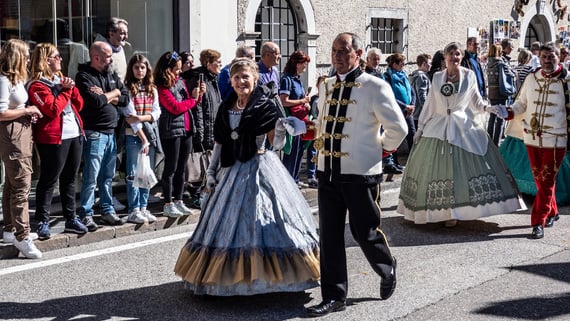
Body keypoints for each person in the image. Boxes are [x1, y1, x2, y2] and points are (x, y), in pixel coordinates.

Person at [174, 58, 320, 296]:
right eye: (237, 77)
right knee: (226, 223)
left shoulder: (265, 106)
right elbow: (220, 142)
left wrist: (282, 129)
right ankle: (229, 278)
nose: (241, 81)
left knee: (263, 220)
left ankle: (269, 279)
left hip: (261, 167)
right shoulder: (226, 106)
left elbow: (279, 145)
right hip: (232, 170)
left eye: (246, 77)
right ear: (231, 81)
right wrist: (211, 172)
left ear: (255, 78)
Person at [305, 32, 407, 317]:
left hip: (360, 173)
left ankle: (387, 266)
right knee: (330, 236)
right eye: (334, 50)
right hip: (328, 172)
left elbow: (399, 129)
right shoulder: (325, 86)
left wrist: (379, 150)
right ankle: (335, 296)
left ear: (357, 53)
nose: (337, 56)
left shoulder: (375, 86)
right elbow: (322, 123)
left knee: (365, 232)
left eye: (343, 50)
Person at [397, 41, 525, 228]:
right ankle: (440, 211)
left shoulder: (469, 76)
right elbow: (430, 105)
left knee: (459, 169)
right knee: (438, 170)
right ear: (445, 57)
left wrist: (488, 108)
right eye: (451, 54)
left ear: (461, 57)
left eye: (457, 54)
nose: (454, 57)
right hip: (438, 127)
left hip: (463, 127)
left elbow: (475, 100)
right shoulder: (438, 78)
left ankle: (456, 211)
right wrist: (421, 128)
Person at [497, 42, 569, 239]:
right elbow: (521, 103)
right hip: (531, 136)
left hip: (556, 139)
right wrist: (508, 111)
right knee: (540, 180)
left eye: (551, 56)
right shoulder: (531, 78)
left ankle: (538, 221)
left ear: (558, 57)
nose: (547, 60)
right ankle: (552, 211)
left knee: (546, 180)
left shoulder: (567, 81)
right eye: (544, 56)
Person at [28, 43, 88, 239]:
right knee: (49, 179)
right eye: (57, 56)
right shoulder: (37, 85)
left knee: (70, 179)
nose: (61, 59)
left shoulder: (61, 80)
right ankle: (42, 221)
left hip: (74, 134)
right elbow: (52, 109)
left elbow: (79, 104)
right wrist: (66, 91)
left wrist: (71, 88)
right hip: (53, 138)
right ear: (46, 60)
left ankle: (71, 218)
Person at [75, 41, 130, 230]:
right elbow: (96, 101)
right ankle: (86, 213)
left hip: (111, 132)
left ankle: (107, 210)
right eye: (108, 56)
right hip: (94, 133)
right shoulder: (84, 76)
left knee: (108, 176)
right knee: (91, 177)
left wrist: (110, 94)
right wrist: (112, 94)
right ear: (96, 57)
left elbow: (125, 98)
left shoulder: (111, 74)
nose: (111, 59)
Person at [0, 39, 43, 258]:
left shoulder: (15, 80)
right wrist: (26, 111)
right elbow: (1, 113)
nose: (28, 59)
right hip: (12, 135)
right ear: (15, 56)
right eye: (25, 55)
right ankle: (22, 236)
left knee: (12, 182)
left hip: (22, 133)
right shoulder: (3, 81)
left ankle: (10, 229)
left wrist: (27, 110)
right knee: (21, 185)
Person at [154, 51, 205, 217]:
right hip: (171, 131)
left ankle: (178, 200)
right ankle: (167, 202)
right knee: (171, 168)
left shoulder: (181, 82)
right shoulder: (162, 86)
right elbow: (175, 107)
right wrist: (192, 100)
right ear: (167, 69)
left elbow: (188, 104)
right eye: (176, 69)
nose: (179, 71)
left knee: (182, 168)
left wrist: (198, 96)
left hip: (187, 129)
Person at [122, 53, 161, 224]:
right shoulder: (128, 88)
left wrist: (142, 118)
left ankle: (144, 207)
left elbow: (157, 112)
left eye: (143, 67)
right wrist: (143, 138)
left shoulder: (152, 89)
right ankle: (134, 209)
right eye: (136, 67)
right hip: (134, 136)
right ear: (131, 69)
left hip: (150, 134)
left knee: (146, 173)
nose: (140, 70)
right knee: (132, 173)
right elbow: (130, 117)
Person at [182, 49, 223, 206]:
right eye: (217, 62)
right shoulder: (200, 80)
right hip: (204, 129)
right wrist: (200, 132)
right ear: (208, 64)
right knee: (204, 166)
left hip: (213, 127)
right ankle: (199, 196)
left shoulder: (213, 79)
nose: (220, 64)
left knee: (210, 165)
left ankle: (205, 195)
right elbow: (198, 109)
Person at [279, 50, 311, 185]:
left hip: (300, 120)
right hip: (292, 122)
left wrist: (306, 104)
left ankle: (295, 180)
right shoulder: (286, 80)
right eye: (304, 63)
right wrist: (303, 101)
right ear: (296, 63)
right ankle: (288, 182)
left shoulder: (296, 79)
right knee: (291, 152)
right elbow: (284, 101)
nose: (305, 66)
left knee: (299, 151)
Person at [383, 53, 416, 170]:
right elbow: (389, 95)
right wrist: (404, 106)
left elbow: (411, 91)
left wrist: (412, 105)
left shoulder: (403, 75)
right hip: (397, 110)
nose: (403, 66)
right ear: (394, 64)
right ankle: (394, 162)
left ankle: (415, 160)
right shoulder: (387, 76)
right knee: (396, 136)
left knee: (412, 135)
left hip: (408, 111)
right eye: (401, 63)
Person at [487, 43, 516, 146]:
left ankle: (489, 138)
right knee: (500, 118)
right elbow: (511, 73)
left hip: (491, 92)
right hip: (501, 92)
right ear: (499, 52)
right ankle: (496, 142)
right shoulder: (500, 63)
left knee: (492, 116)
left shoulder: (488, 63)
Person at [305, 75, 327, 188]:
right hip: (315, 128)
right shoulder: (314, 98)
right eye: (321, 84)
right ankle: (311, 175)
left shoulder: (330, 99)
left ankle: (322, 174)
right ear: (317, 85)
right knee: (313, 152)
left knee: (323, 153)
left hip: (325, 129)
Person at [409, 53, 432, 127]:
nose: (430, 66)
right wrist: (427, 110)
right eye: (429, 63)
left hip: (415, 113)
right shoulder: (422, 77)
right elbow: (422, 95)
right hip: (420, 113)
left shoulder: (414, 74)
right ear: (424, 64)